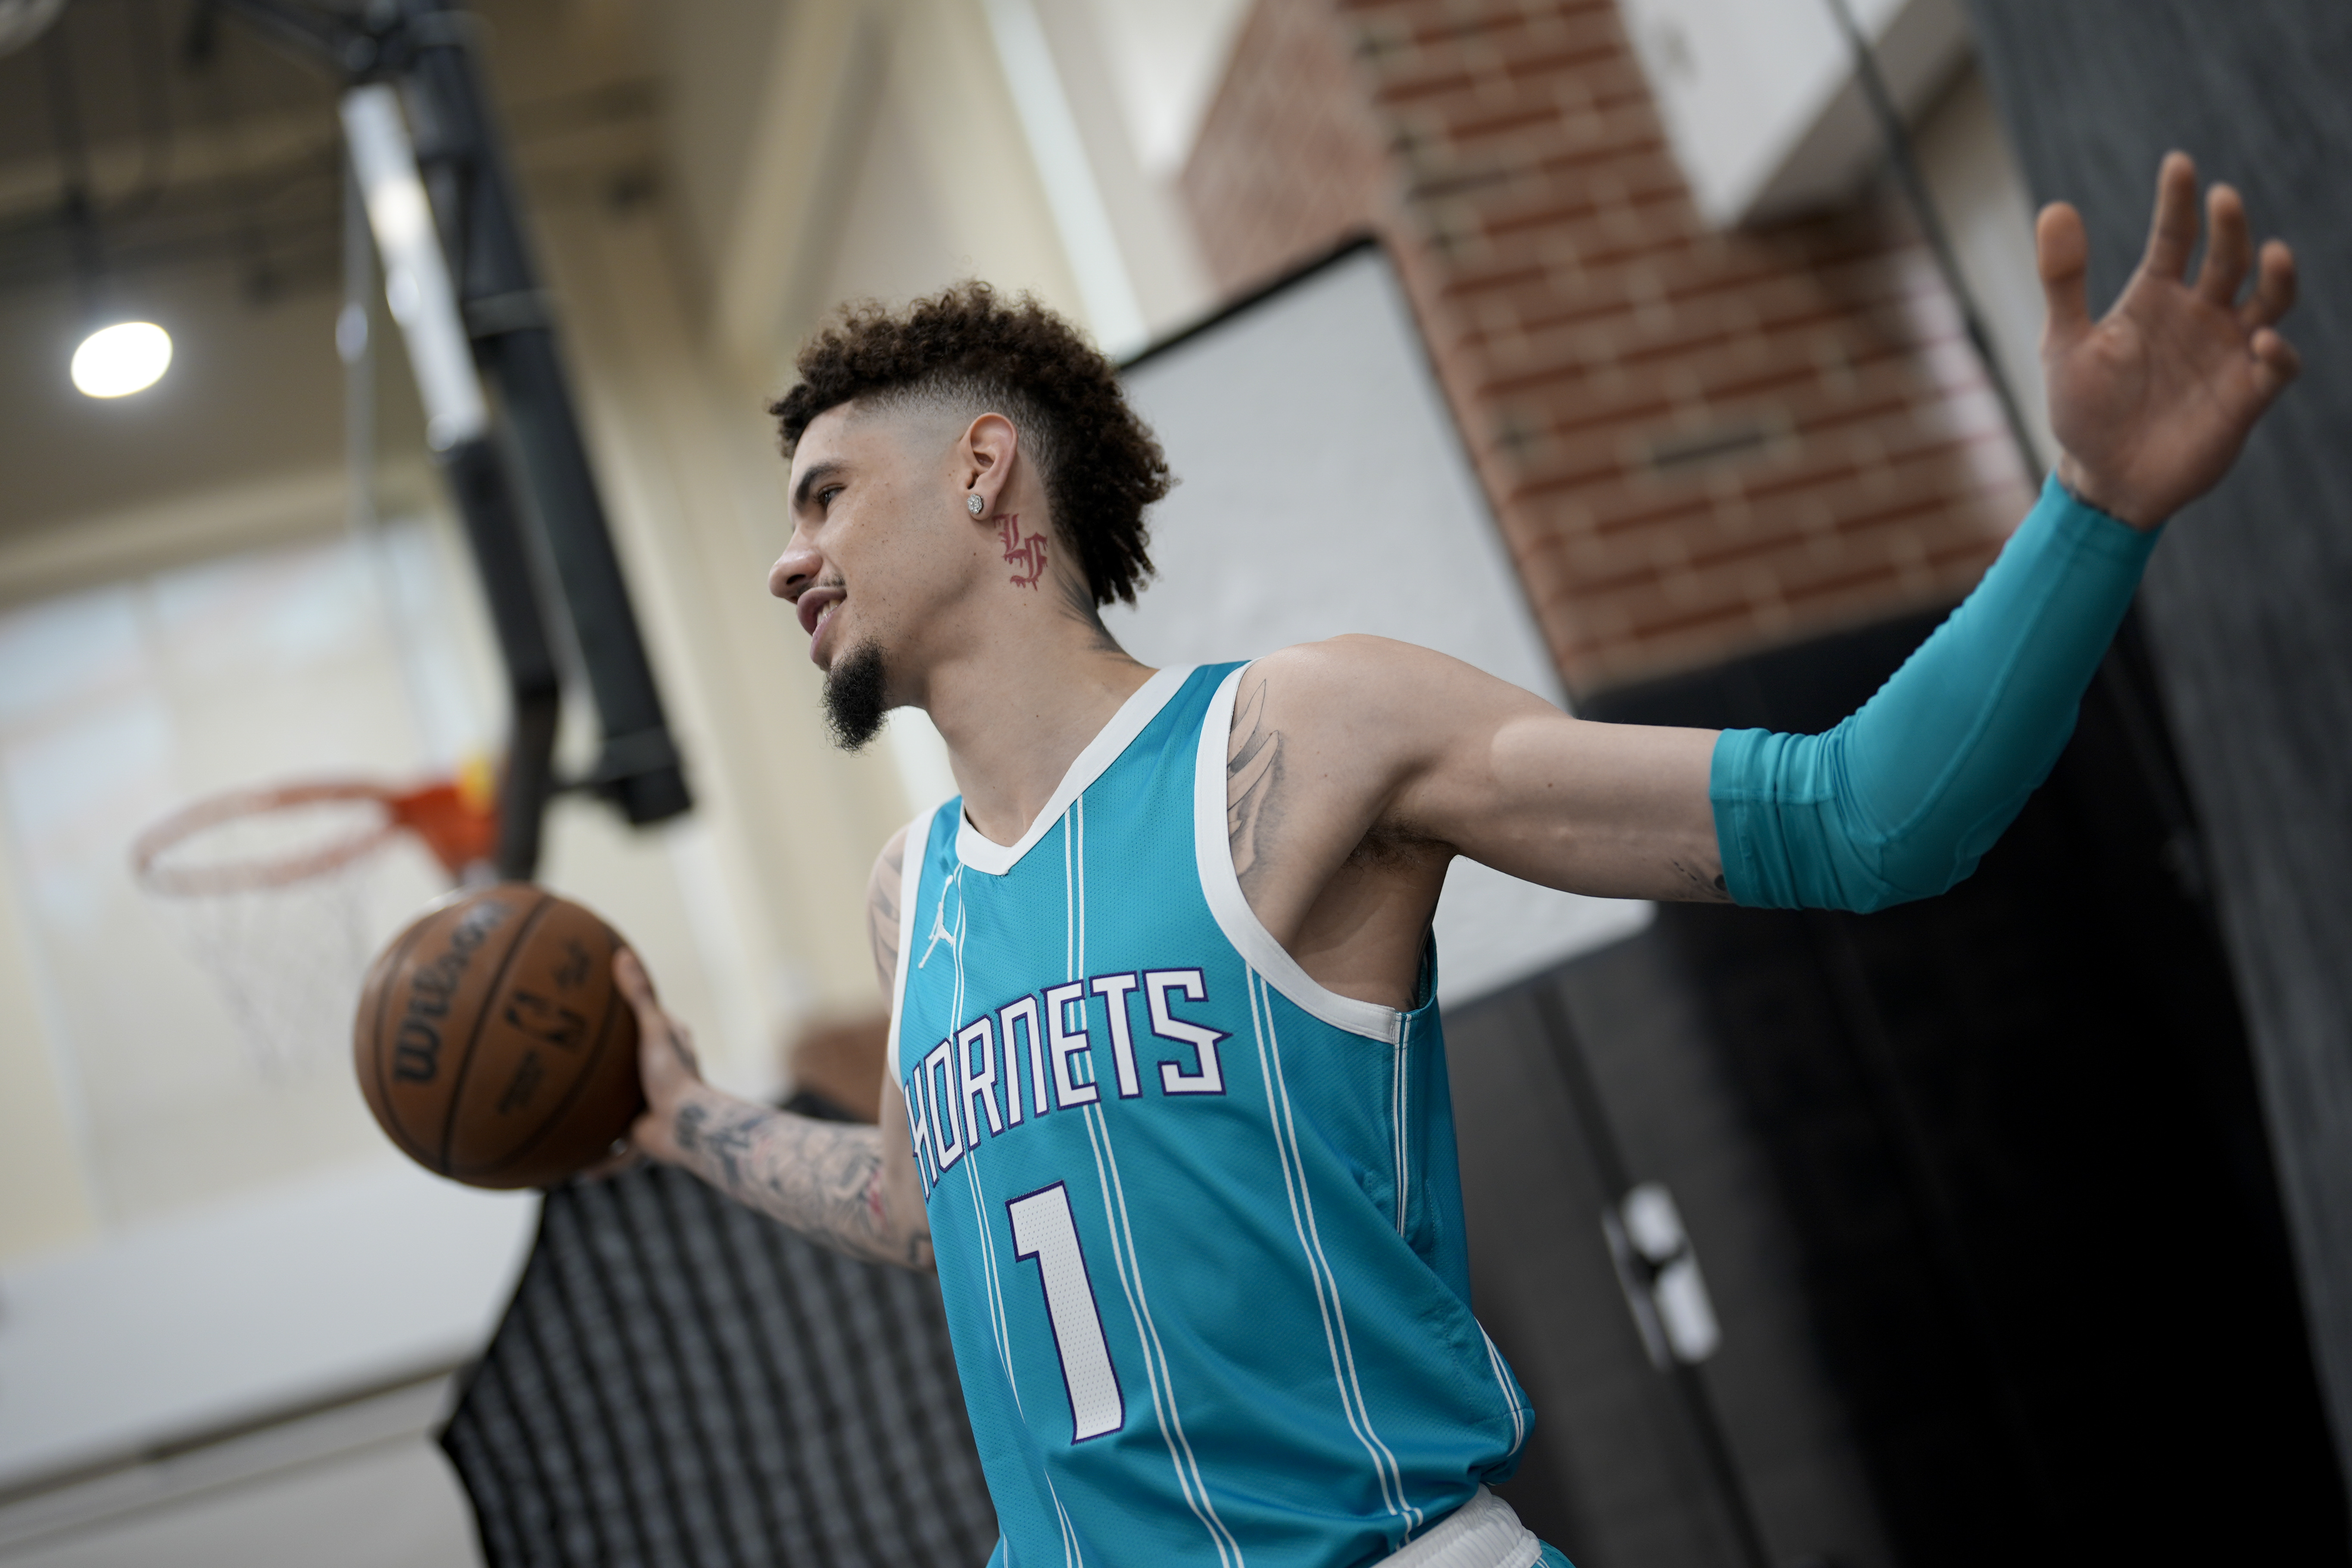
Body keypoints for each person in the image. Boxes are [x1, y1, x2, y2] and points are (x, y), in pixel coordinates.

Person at [610, 153, 2298, 1568]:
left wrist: (2091, 511)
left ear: (981, 469)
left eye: (823, 496)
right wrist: (683, 1119)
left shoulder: (1307, 736)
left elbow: (1862, 814)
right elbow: (910, 1207)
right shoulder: (914, 896)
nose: (784, 561)